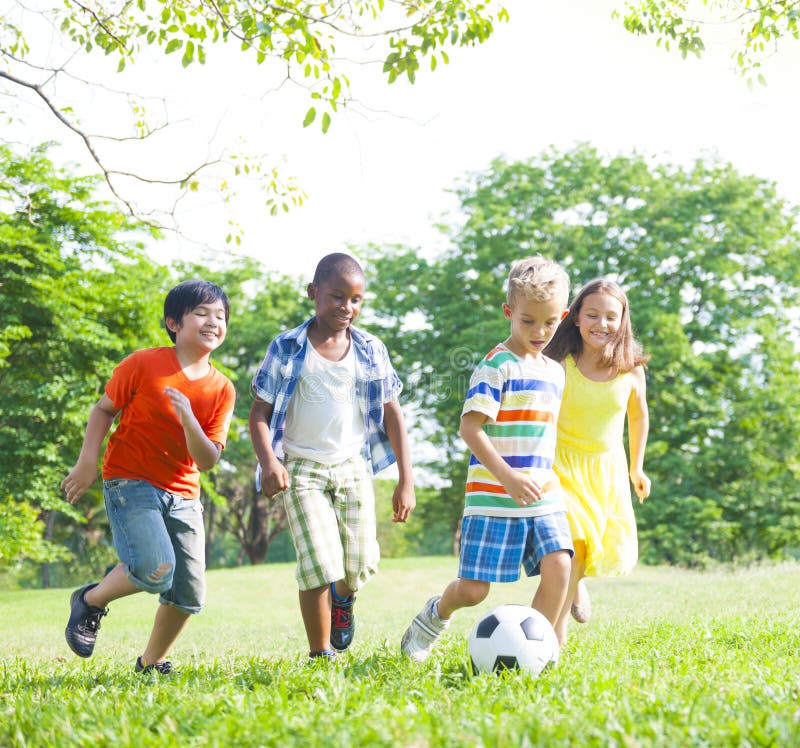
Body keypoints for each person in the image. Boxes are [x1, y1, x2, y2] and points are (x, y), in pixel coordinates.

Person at [401, 256, 574, 662]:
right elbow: (470, 428)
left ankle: (535, 653)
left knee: (560, 566)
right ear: (509, 312)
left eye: (549, 322)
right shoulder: (495, 366)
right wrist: (508, 477)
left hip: (542, 494)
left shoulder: (555, 371)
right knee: (474, 590)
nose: (539, 331)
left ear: (562, 316)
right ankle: (433, 616)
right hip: (494, 495)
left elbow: (545, 435)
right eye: (528, 321)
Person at [61, 280, 235, 673]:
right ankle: (90, 600)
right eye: (202, 313)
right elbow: (103, 410)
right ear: (174, 322)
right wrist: (87, 462)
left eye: (220, 316)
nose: (213, 322)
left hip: (185, 494)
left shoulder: (222, 388)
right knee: (156, 569)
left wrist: (190, 418)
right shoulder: (143, 364)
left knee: (189, 593)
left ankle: (150, 663)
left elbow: (206, 459)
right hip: (130, 482)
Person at [249, 252, 415, 662]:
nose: (347, 307)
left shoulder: (371, 349)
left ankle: (344, 600)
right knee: (319, 562)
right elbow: (259, 413)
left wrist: (405, 479)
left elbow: (392, 412)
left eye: (356, 299)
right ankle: (320, 653)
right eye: (337, 297)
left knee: (357, 565)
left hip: (353, 466)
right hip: (300, 468)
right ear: (314, 293)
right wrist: (270, 461)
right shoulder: (287, 347)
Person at [543, 278, 651, 645]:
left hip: (605, 470)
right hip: (560, 466)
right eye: (592, 315)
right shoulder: (559, 364)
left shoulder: (630, 370)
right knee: (572, 540)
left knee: (587, 544)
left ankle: (577, 586)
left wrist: (637, 467)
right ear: (574, 318)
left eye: (611, 317)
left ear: (623, 321)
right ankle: (555, 637)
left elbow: (638, 417)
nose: (601, 324)